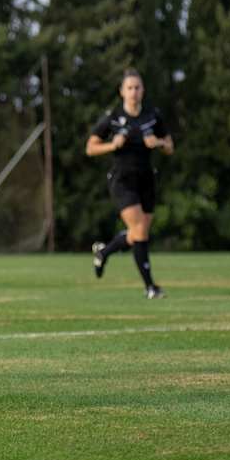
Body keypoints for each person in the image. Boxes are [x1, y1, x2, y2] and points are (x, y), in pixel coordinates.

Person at [87, 69, 174, 299]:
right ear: (122, 91)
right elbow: (90, 147)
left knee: (139, 232)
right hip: (122, 180)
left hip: (146, 178)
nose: (134, 92)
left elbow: (170, 146)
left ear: (143, 90)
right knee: (139, 231)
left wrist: (158, 143)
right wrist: (112, 145)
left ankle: (104, 252)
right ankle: (150, 287)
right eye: (130, 88)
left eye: (137, 87)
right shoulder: (113, 117)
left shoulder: (152, 115)